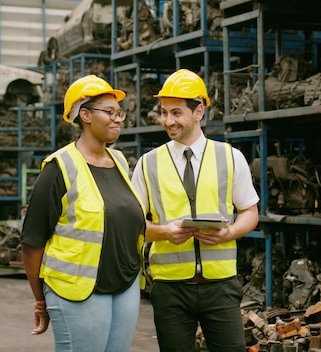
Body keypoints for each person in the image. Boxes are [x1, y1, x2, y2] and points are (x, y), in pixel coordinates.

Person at [131, 69, 259, 352]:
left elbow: (250, 212)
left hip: (221, 285)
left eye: (176, 113)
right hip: (170, 288)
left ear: (199, 110)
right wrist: (163, 232)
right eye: (164, 113)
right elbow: (132, 225)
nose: (168, 121)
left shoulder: (230, 157)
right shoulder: (147, 164)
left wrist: (230, 232)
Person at [21, 75, 146, 352]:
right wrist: (40, 299)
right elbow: (32, 242)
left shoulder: (120, 161)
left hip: (124, 284)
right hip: (77, 290)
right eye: (110, 112)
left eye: (119, 113)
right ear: (85, 115)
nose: (118, 119)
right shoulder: (59, 167)